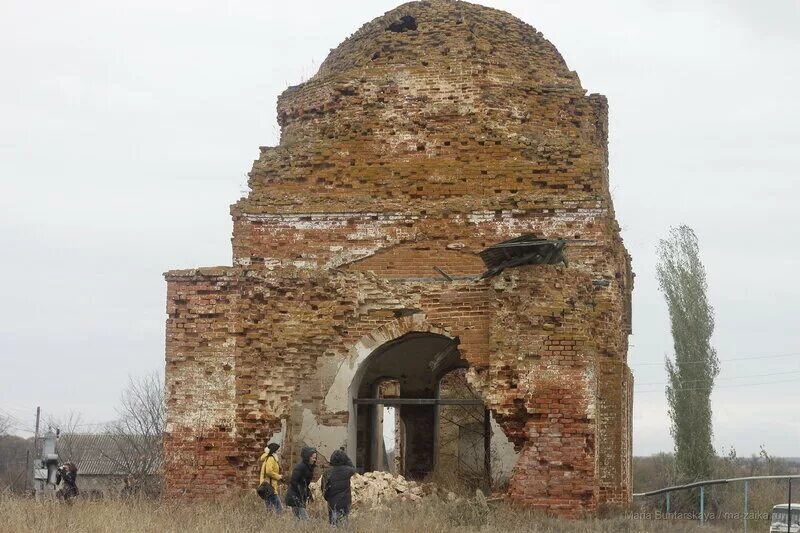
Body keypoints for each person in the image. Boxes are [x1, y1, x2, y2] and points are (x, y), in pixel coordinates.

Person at [322, 449, 356, 527]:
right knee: (343, 524)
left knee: (333, 525)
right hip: (345, 502)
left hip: (332, 502)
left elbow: (323, 489)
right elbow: (353, 468)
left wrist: (328, 498)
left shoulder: (327, 472)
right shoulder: (348, 470)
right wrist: (347, 459)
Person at [284, 446, 317, 520]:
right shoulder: (301, 467)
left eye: (315, 458)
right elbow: (293, 481)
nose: (314, 459)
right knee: (305, 520)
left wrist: (309, 494)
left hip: (300, 497)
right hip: (294, 496)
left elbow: (305, 483)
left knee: (298, 520)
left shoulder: (309, 467)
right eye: (313, 457)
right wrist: (302, 491)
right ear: (307, 457)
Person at [258, 443, 283, 513]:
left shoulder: (269, 458)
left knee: (269, 508)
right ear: (274, 450)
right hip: (270, 487)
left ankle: (268, 522)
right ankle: (278, 523)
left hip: (268, 487)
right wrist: (278, 477)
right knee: (279, 509)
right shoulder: (271, 458)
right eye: (277, 450)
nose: (278, 451)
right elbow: (269, 471)